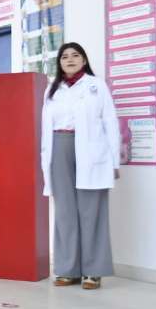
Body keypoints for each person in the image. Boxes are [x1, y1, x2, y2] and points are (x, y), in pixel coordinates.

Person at [41, 42, 119, 290]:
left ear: (84, 60)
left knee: (91, 210)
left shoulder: (97, 86)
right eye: (65, 57)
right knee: (64, 211)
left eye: (76, 55)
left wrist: (114, 160)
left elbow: (110, 123)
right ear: (59, 63)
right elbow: (45, 128)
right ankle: (68, 269)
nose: (70, 59)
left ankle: (93, 271)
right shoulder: (52, 90)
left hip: (90, 150)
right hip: (59, 147)